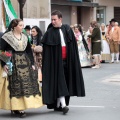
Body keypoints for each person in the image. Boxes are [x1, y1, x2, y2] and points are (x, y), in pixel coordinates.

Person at [41, 10, 85, 115]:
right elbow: (47, 53)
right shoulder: (49, 32)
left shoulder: (67, 29)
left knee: (66, 82)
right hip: (56, 63)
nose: (53, 21)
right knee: (60, 82)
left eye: (55, 19)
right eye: (51, 20)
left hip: (67, 61)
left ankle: (58, 104)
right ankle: (64, 105)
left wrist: (74, 62)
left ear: (60, 19)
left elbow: (73, 47)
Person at [0, 19, 43, 118]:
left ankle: (22, 106)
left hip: (25, 63)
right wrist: (5, 63)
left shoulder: (25, 37)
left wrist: (32, 63)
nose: (22, 27)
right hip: (12, 62)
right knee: (16, 85)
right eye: (20, 25)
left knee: (25, 84)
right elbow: (1, 50)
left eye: (23, 25)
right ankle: (18, 108)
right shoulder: (6, 37)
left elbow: (28, 51)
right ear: (14, 26)